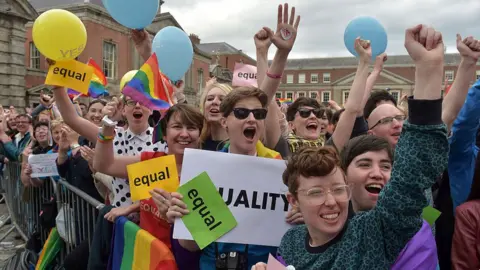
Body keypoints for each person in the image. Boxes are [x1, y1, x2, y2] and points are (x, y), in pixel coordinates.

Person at [252, 23, 448, 270]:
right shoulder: (291, 243)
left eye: (338, 189)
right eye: (316, 192)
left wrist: (429, 70)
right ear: (294, 201)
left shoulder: (370, 234)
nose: (331, 201)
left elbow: (411, 175)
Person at [94, 103, 204, 269]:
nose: (184, 134)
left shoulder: (206, 171)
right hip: (146, 258)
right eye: (177, 126)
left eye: (192, 127)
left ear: (200, 134)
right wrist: (108, 125)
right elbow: (104, 165)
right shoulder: (152, 162)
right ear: (165, 135)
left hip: (181, 263)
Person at [199, 81, 233, 151]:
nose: (214, 102)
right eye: (210, 99)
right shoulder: (195, 144)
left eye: (222, 99)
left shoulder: (240, 147)